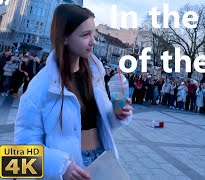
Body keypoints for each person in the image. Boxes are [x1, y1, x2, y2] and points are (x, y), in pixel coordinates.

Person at [14, 4, 133, 180]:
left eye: (94, 34)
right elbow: (21, 150)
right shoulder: (41, 85)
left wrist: (118, 114)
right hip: (70, 167)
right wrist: (59, 166)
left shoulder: (96, 73)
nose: (93, 41)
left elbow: (101, 123)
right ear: (64, 38)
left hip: (102, 158)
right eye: (85, 35)